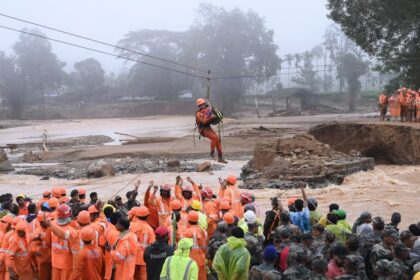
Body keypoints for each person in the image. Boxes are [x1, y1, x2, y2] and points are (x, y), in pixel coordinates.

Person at [47, 204, 78, 280]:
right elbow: (76, 253)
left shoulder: (52, 225)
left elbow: (48, 242)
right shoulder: (72, 231)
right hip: (67, 265)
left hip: (55, 263)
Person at [195, 98, 227, 163]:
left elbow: (213, 112)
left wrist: (217, 117)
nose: (202, 106)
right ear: (198, 106)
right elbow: (204, 122)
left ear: (204, 104)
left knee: (218, 140)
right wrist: (211, 117)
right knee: (214, 138)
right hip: (203, 129)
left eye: (202, 104)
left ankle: (220, 158)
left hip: (208, 128)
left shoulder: (207, 110)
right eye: (200, 105)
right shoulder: (198, 114)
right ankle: (212, 154)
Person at [130, 206, 155, 280]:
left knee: (132, 276)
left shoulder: (131, 225)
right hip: (144, 258)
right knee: (143, 277)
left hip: (132, 255)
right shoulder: (149, 229)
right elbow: (152, 244)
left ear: (137, 215)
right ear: (147, 216)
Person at [182, 211, 207, 280]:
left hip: (190, 260)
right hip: (202, 260)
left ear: (188, 220)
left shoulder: (186, 232)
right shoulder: (202, 231)